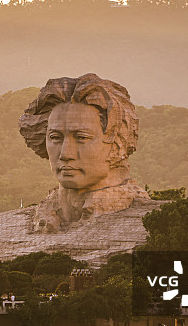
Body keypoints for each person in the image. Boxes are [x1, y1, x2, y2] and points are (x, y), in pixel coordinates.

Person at [19, 73, 149, 231]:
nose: (66, 154)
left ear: (117, 142)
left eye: (81, 137)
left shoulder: (152, 227)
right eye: (55, 137)